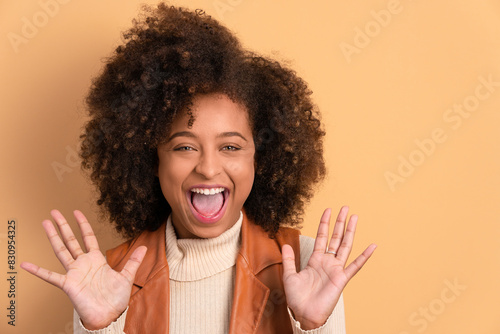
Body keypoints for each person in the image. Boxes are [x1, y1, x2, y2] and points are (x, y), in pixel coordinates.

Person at [20, 3, 377, 333]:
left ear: (260, 158)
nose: (208, 168)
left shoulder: (305, 264)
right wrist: (98, 328)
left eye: (231, 147)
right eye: (185, 146)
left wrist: (315, 326)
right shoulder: (106, 278)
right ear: (151, 160)